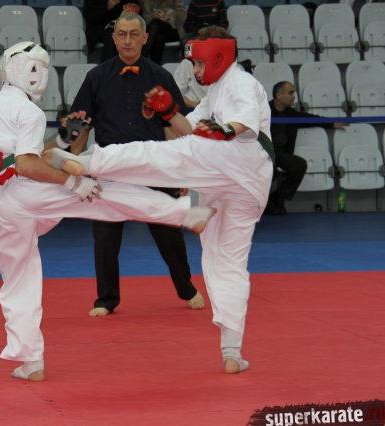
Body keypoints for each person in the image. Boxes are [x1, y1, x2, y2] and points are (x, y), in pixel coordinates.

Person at [0, 40, 216, 382]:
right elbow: (26, 165)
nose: (41, 76)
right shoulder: (28, 112)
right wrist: (71, 183)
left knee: (18, 280)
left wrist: (61, 141)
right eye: (38, 69)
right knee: (105, 195)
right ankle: (183, 213)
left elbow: (17, 159)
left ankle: (31, 362)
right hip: (26, 191)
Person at [44, 26, 274, 374]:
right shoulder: (215, 92)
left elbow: (237, 125)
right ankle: (232, 351)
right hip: (247, 185)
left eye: (199, 63)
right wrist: (169, 113)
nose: (196, 71)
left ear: (219, 57)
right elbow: (189, 128)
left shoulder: (240, 83)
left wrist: (221, 131)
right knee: (225, 261)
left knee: (155, 156)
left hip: (233, 159)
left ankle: (91, 163)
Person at [68, 12, 204, 318]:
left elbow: (174, 128)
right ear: (114, 38)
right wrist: (76, 165)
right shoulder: (96, 77)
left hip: (153, 164)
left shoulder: (160, 76)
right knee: (105, 236)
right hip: (110, 167)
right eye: (122, 34)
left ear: (145, 38)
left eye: (133, 34)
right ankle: (106, 299)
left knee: (168, 230)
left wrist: (181, 174)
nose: (127, 40)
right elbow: (81, 125)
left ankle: (186, 287)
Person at [267, 81, 347, 215]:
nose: (294, 96)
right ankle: (267, 204)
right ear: (278, 95)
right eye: (290, 93)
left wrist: (332, 123)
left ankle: (279, 196)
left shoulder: (291, 114)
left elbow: (310, 118)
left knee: (299, 164)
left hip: (280, 154)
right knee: (269, 170)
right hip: (262, 153)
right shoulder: (262, 110)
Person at [141, 0, 186, 64]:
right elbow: (142, 19)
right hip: (153, 32)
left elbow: (182, 16)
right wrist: (156, 17)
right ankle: (155, 66)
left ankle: (141, 58)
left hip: (172, 31)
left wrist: (167, 15)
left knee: (155, 24)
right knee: (159, 37)